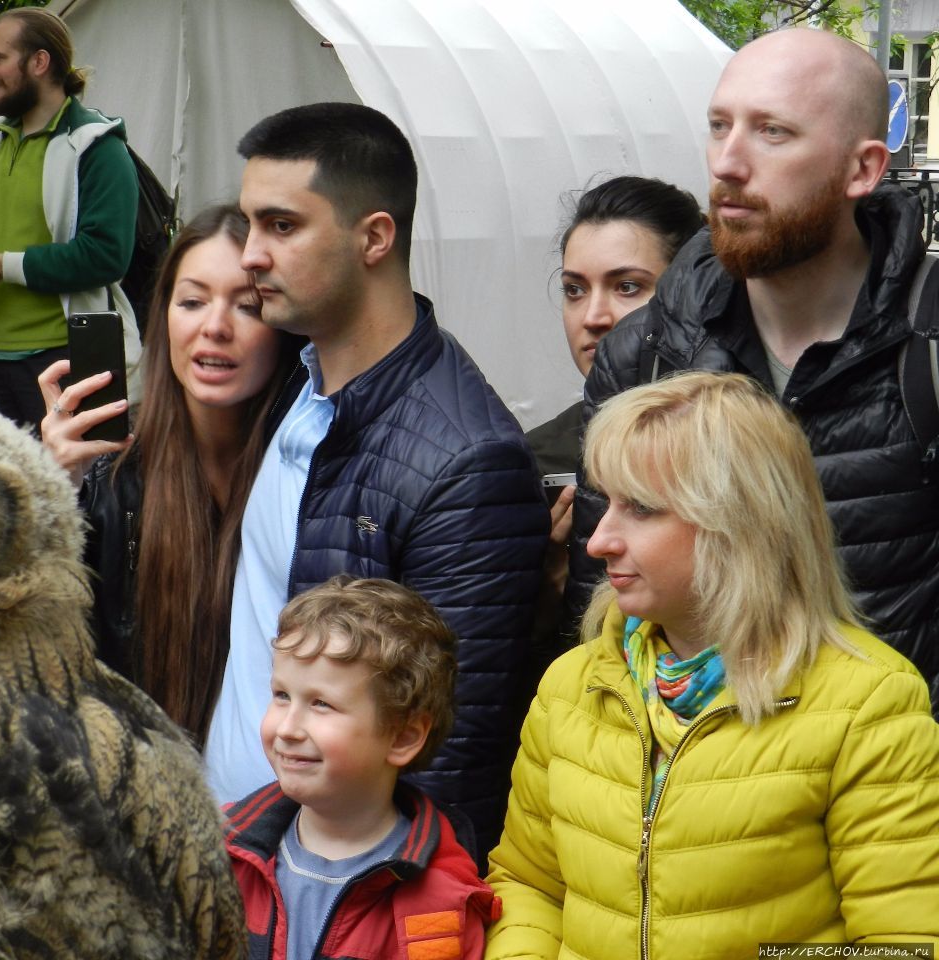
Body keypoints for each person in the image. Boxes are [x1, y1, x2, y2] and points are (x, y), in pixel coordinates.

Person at [486, 372, 939, 956]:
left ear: (741, 522)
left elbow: (903, 942)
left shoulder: (868, 705)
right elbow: (528, 886)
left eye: (642, 508)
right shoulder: (573, 685)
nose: (598, 541)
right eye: (607, 501)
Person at [203, 102, 548, 861]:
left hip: (321, 891)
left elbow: (447, 761)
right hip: (237, 856)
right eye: (249, 224)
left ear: (375, 237)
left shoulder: (467, 461)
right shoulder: (296, 378)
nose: (250, 255)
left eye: (281, 226)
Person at [566, 28, 939, 707]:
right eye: (718, 126)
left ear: (863, 170)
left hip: (888, 787)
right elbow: (598, 616)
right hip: (687, 785)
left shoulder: (930, 347)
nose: (727, 163)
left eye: (772, 132)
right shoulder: (646, 354)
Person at [36, 204, 301, 747]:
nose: (215, 327)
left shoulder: (308, 482)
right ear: (164, 319)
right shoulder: (110, 480)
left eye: (248, 306)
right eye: (192, 302)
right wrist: (48, 496)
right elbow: (28, 656)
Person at [224, 576, 499, 960]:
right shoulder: (218, 849)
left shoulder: (438, 905)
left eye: (321, 704)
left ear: (403, 736)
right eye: (282, 696)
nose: (287, 728)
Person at [0, 7, 142, 431]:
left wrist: (1, 267)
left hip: (68, 361)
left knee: (72, 496)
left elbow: (106, 256)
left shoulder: (96, 146)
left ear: (39, 62)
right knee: (10, 494)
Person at [528, 176, 701, 623]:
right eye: (574, 289)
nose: (594, 317)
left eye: (627, 287)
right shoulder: (537, 457)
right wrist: (538, 594)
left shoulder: (737, 442)